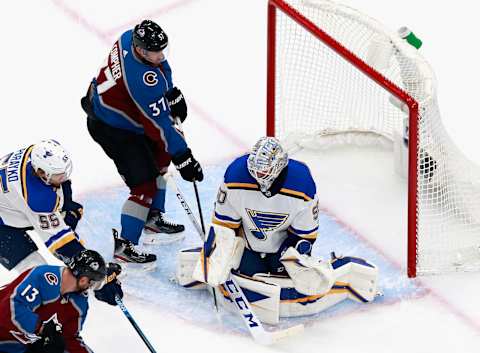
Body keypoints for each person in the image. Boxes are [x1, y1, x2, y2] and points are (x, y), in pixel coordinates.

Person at [176, 137, 379, 324]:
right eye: (255, 169)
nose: (257, 175)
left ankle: (342, 269)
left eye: (263, 171)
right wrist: (219, 255)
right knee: (245, 276)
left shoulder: (301, 184)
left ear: (279, 167)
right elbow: (225, 225)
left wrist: (292, 258)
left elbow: (304, 235)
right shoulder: (236, 175)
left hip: (282, 247)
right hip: (248, 243)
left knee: (300, 283)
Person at [81, 19, 203, 265]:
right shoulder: (142, 80)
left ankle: (152, 219)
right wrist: (184, 157)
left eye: (162, 50)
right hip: (112, 129)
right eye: (155, 52)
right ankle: (125, 247)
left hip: (117, 111)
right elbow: (160, 126)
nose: (161, 56)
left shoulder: (130, 37)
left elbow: (161, 68)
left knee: (161, 155)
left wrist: (169, 91)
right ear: (140, 50)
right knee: (144, 185)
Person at [0, 249, 123, 353]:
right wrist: (41, 329)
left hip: (19, 347)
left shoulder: (79, 304)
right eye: (94, 283)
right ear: (83, 280)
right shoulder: (43, 277)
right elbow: (8, 310)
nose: (92, 287)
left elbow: (68, 338)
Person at [0, 140, 87, 274]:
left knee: (66, 216)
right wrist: (87, 266)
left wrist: (66, 204)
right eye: (58, 174)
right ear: (41, 172)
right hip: (3, 225)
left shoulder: (37, 152)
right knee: (39, 273)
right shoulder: (37, 198)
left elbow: (61, 182)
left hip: (10, 202)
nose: (64, 177)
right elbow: (60, 243)